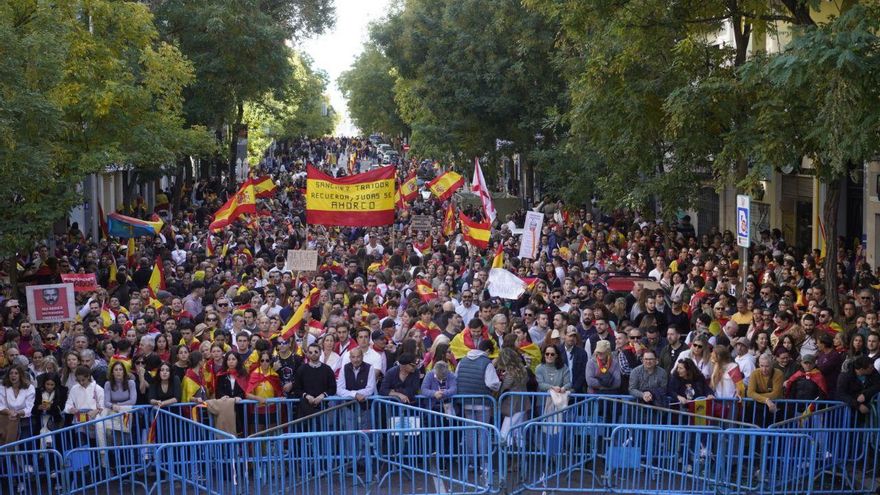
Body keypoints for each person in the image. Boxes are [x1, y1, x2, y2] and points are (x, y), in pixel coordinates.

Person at [293, 344, 337, 419]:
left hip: (323, 409)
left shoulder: (327, 369)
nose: (313, 354)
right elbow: (296, 388)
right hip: (305, 411)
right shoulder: (301, 369)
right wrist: (306, 396)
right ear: (307, 354)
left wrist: (322, 396)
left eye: (316, 352)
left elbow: (333, 388)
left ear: (320, 353)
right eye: (310, 352)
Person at [337, 347, 376, 429]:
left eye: (358, 357)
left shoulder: (370, 368)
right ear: (350, 358)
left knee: (365, 433)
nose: (356, 360)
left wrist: (353, 394)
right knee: (350, 433)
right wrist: (355, 395)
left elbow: (370, 389)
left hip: (366, 406)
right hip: (349, 406)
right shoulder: (344, 368)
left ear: (362, 357)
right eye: (353, 357)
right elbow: (339, 389)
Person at [836, 356, 880, 423]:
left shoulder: (873, 372)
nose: (873, 368)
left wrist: (865, 394)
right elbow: (841, 394)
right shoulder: (845, 376)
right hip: (850, 411)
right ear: (862, 369)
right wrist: (858, 405)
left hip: (868, 407)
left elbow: (878, 385)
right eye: (870, 368)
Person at [746, 353, 784, 426]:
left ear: (772, 365)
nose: (764, 369)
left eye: (767, 366)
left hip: (775, 405)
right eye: (761, 366)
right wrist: (766, 400)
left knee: (772, 427)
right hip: (757, 407)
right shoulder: (754, 373)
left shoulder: (778, 373)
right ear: (758, 364)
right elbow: (750, 393)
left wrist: (757, 396)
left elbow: (775, 394)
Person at [0, 364, 36, 440]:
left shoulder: (29, 388)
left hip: (25, 421)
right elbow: (1, 405)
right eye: (11, 373)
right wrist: (9, 412)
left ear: (21, 375)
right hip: (7, 420)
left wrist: (17, 413)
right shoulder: (3, 387)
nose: (13, 375)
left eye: (16, 373)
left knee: (25, 442)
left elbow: (29, 407)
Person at [559, 328, 588, 393]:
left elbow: (583, 372)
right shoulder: (557, 351)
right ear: (564, 336)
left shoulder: (582, 353)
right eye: (570, 336)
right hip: (560, 390)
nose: (572, 338)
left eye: (574, 336)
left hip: (577, 391)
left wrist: (575, 388)